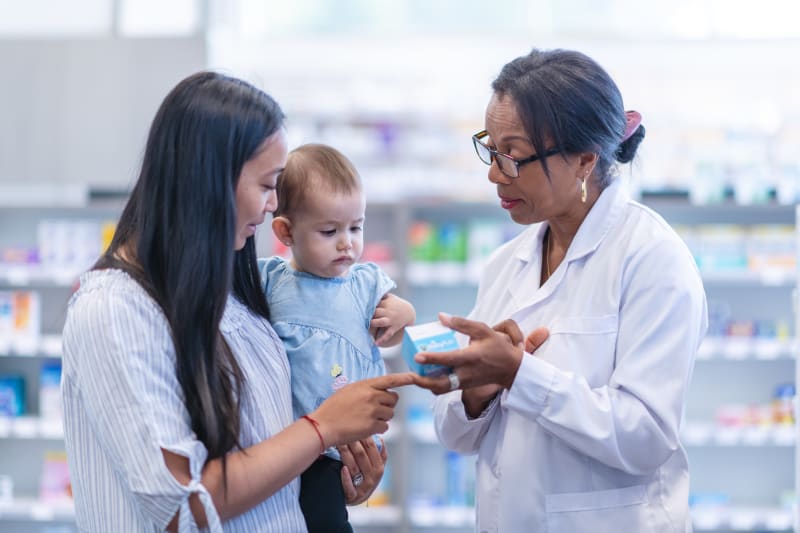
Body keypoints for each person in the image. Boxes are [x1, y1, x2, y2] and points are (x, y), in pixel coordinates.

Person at [60, 71, 415, 533]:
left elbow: (262, 452)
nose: (273, 207)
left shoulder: (230, 291)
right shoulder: (115, 312)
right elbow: (183, 506)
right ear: (210, 181)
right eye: (268, 185)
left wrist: (331, 472)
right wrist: (322, 429)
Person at [413, 48, 708, 532]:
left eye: (513, 157)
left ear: (584, 161)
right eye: (491, 148)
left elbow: (646, 435)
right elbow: (454, 434)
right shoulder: (506, 264)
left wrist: (519, 375)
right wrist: (476, 393)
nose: (493, 173)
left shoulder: (653, 260)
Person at [260, 143, 416, 532]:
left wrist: (403, 314)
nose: (347, 242)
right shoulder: (270, 280)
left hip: (339, 450)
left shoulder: (365, 284)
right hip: (284, 441)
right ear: (286, 231)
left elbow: (396, 326)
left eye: (355, 227)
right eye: (329, 231)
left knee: (328, 520)